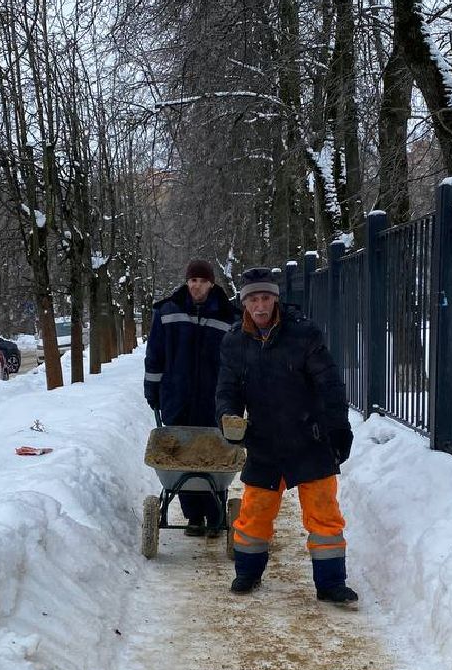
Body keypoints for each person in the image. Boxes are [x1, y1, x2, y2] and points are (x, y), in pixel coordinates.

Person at [216, 267, 358, 605]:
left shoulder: (303, 334)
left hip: (310, 437)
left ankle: (330, 583)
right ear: (245, 304)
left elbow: (329, 382)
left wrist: (338, 427)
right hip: (264, 440)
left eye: (265, 298)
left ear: (275, 300)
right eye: (253, 300)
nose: (260, 306)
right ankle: (247, 573)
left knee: (324, 510)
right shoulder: (235, 341)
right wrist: (228, 417)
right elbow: (227, 388)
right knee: (255, 511)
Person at [144, 258, 239, 536]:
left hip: (214, 398)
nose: (197, 286)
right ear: (187, 282)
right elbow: (155, 355)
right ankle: (194, 517)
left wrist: (236, 395)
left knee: (211, 455)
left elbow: (235, 361)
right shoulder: (167, 312)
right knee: (182, 456)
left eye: (202, 281)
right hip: (177, 395)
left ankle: (214, 514)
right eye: (192, 280)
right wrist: (153, 389)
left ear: (212, 283)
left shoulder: (228, 316)